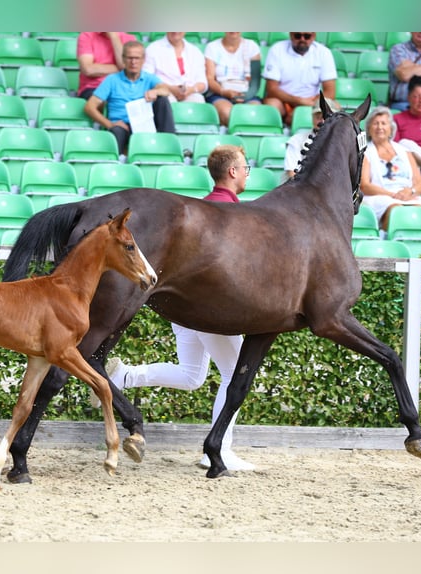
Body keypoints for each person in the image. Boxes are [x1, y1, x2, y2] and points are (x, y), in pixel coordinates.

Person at [104, 144, 254, 472]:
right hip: (208, 309)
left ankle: (125, 375)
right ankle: (219, 450)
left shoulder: (206, 207)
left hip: (184, 310)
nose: (247, 174)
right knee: (235, 373)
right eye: (245, 168)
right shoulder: (230, 214)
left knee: (192, 376)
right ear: (232, 172)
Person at [84, 41, 175, 154]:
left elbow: (165, 90)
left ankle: (170, 147)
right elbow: (89, 107)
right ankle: (114, 165)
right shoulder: (112, 80)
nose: (133, 62)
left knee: (163, 99)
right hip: (121, 125)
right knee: (117, 132)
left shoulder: (149, 78)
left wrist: (156, 91)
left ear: (143, 59)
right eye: (129, 58)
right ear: (123, 59)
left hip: (144, 124)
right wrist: (109, 124)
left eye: (137, 58)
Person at [360, 105, 421, 231]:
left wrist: (410, 192)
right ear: (369, 129)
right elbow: (365, 186)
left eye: (384, 123)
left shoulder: (405, 151)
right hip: (379, 195)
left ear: (391, 128)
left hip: (406, 195)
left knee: (418, 210)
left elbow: (420, 184)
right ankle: (389, 243)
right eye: (375, 124)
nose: (380, 127)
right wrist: (392, 194)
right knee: (396, 209)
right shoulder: (365, 152)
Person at [262, 32, 337, 125]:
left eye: (307, 36)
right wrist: (299, 101)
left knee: (336, 107)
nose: (302, 39)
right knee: (272, 105)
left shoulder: (324, 52)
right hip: (284, 101)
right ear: (291, 35)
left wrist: (310, 105)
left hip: (312, 101)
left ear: (313, 36)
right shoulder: (277, 50)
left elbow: (330, 91)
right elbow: (271, 89)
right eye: (297, 36)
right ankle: (280, 128)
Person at [204, 32, 262, 127]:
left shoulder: (252, 46)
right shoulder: (212, 47)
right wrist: (223, 92)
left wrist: (245, 96)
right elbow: (210, 79)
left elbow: (255, 81)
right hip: (220, 93)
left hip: (247, 93)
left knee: (253, 114)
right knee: (228, 114)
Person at [284, 97, 341, 180]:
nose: (322, 121)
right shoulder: (296, 141)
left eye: (327, 117)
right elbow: (292, 174)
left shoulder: (341, 143)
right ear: (312, 118)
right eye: (318, 117)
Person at [143, 32, 207, 103]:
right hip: (163, 92)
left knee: (198, 100)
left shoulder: (195, 51)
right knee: (166, 101)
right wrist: (170, 88)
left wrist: (191, 90)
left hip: (190, 93)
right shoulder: (153, 49)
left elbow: (203, 82)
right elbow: (147, 78)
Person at [76, 32, 137, 100]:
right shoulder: (86, 36)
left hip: (123, 87)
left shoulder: (129, 39)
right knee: (111, 100)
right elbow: (88, 70)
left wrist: (113, 36)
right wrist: (121, 69)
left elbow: (125, 66)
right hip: (94, 87)